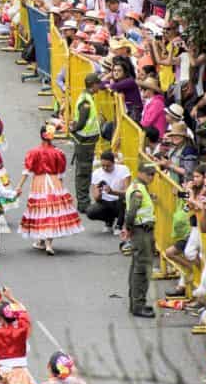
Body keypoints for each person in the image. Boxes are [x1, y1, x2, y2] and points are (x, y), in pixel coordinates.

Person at [16, 123, 84, 256]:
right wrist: (60, 186)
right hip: (54, 181)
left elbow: (27, 171)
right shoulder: (59, 153)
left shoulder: (33, 152)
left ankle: (43, 242)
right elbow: (61, 174)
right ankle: (46, 243)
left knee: (41, 210)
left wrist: (19, 186)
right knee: (53, 211)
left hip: (39, 182)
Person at [124, 164, 157, 318]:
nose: (152, 177)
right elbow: (132, 212)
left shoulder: (139, 187)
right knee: (141, 269)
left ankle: (136, 303)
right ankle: (138, 305)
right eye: (149, 174)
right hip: (141, 231)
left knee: (137, 267)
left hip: (141, 230)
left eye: (153, 174)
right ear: (141, 173)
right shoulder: (138, 190)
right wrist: (129, 228)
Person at [71, 73, 103, 216]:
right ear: (93, 85)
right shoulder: (86, 102)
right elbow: (82, 122)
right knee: (83, 172)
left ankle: (83, 201)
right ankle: (83, 203)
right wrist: (74, 129)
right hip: (84, 141)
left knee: (84, 170)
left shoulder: (88, 97)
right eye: (98, 84)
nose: (99, 86)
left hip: (87, 141)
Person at [89, 150, 130, 234]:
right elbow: (96, 198)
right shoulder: (96, 173)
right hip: (105, 201)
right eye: (103, 165)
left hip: (119, 201)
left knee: (123, 199)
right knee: (91, 212)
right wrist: (99, 191)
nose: (105, 168)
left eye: (108, 166)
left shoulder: (123, 169)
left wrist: (112, 192)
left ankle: (119, 224)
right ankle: (109, 221)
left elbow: (128, 192)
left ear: (114, 163)